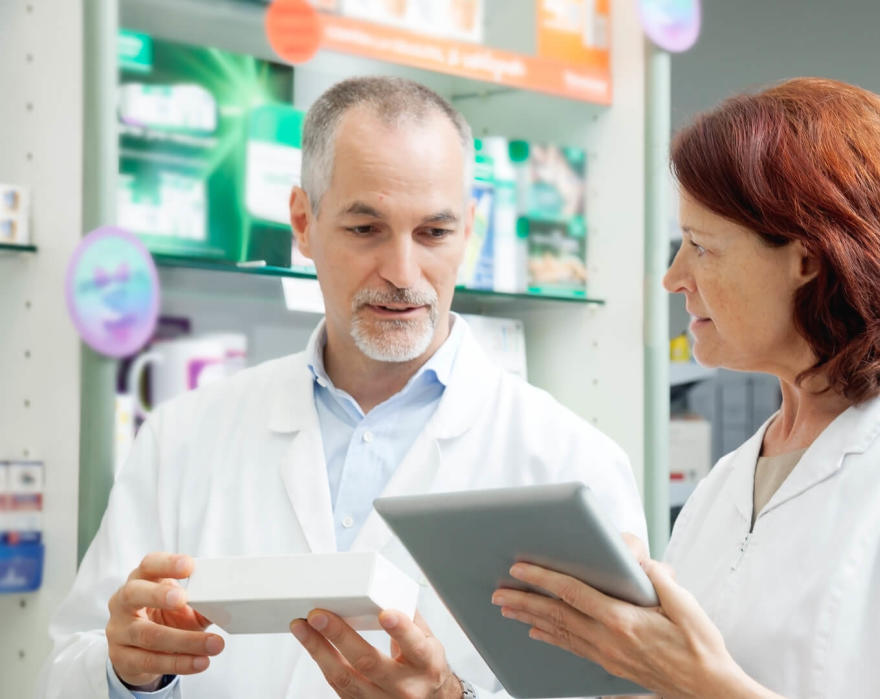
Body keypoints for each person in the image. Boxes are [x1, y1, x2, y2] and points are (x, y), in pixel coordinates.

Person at [37, 76, 645, 699]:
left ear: (470, 230)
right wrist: (129, 673)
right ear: (303, 222)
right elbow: (68, 670)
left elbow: (619, 691)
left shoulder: (573, 461)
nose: (403, 273)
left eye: (433, 233)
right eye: (365, 230)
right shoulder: (184, 436)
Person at [491, 77, 880, 698]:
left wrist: (705, 685)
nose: (673, 278)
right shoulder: (727, 484)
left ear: (808, 258)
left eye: (701, 247)